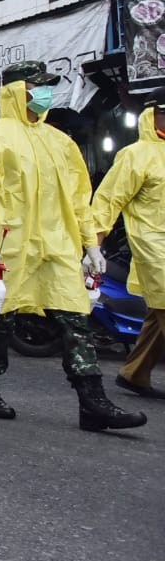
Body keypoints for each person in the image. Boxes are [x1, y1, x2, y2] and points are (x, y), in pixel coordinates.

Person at [0, 60, 145, 432]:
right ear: (15, 92)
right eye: (37, 87)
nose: (44, 94)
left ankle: (93, 402)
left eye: (47, 87)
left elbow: (78, 198)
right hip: (9, 246)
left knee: (75, 319)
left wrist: (91, 246)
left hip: (57, 247)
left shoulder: (60, 142)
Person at [91, 86, 165, 400]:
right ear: (152, 116)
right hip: (154, 247)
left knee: (156, 316)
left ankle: (134, 373)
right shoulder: (135, 155)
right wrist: (92, 246)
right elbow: (108, 201)